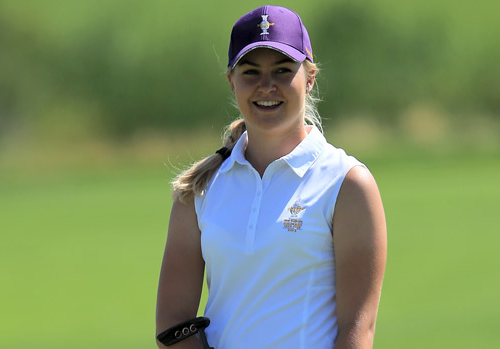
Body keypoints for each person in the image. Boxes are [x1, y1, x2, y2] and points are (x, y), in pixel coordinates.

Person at [156, 5, 387, 348]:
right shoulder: (200, 189)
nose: (267, 86)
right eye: (251, 72)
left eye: (282, 70)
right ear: (231, 80)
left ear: (309, 79)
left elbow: (357, 329)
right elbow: (173, 323)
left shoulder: (347, 183)